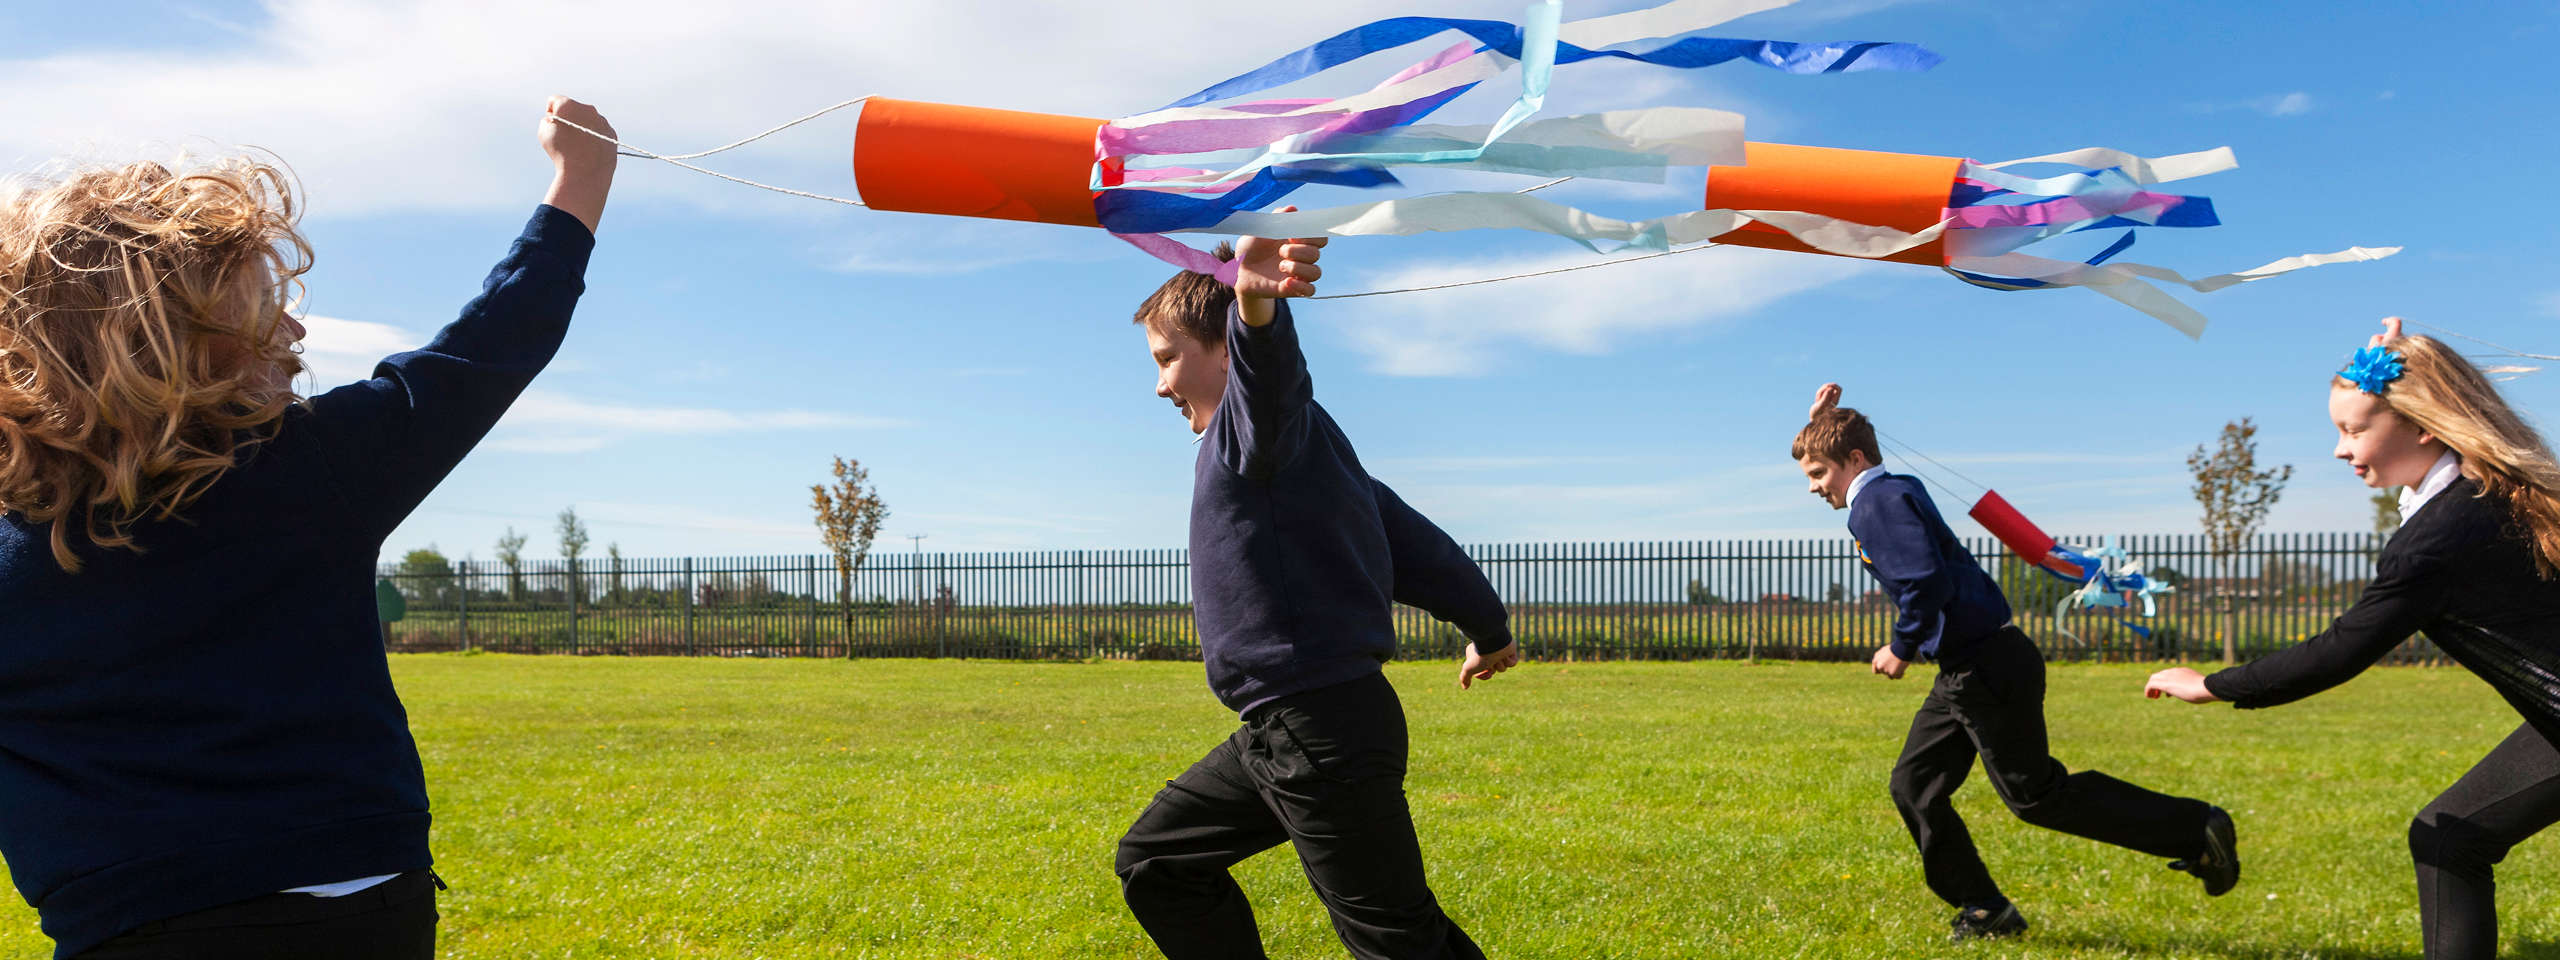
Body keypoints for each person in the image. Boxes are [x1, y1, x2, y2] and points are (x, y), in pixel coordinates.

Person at [0, 96, 616, 958]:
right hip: (363, 912)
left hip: (126, 927)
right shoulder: (314, 468)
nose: (294, 328)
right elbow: (489, 348)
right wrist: (579, 182)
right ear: (167, 348)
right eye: (260, 313)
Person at [1110, 225, 1520, 960]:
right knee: (1157, 861)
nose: (1160, 384)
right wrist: (1488, 630)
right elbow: (1419, 549)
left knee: (1395, 938)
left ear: (1224, 349)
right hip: (1284, 731)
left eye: (1169, 358)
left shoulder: (1255, 428)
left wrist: (1257, 309)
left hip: (1318, 729)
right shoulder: (1312, 459)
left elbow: (1268, 382)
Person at [2146, 317, 2560, 960]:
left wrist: (2211, 684)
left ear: (2423, 424)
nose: (2340, 449)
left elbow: (2342, 647)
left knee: (2449, 838)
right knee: (2448, 837)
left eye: (2354, 429)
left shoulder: (2435, 542)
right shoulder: (2489, 489)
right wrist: (2395, 361)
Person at [1796, 383, 2237, 943]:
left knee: (2036, 796)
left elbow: (1924, 580)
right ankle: (1985, 909)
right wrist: (1822, 422)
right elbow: (1916, 554)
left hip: (1985, 669)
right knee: (1914, 785)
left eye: (1818, 474)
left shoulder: (1875, 502)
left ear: (1854, 460)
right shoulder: (1892, 488)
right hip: (1971, 667)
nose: (1814, 488)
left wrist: (1902, 645)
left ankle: (2196, 830)